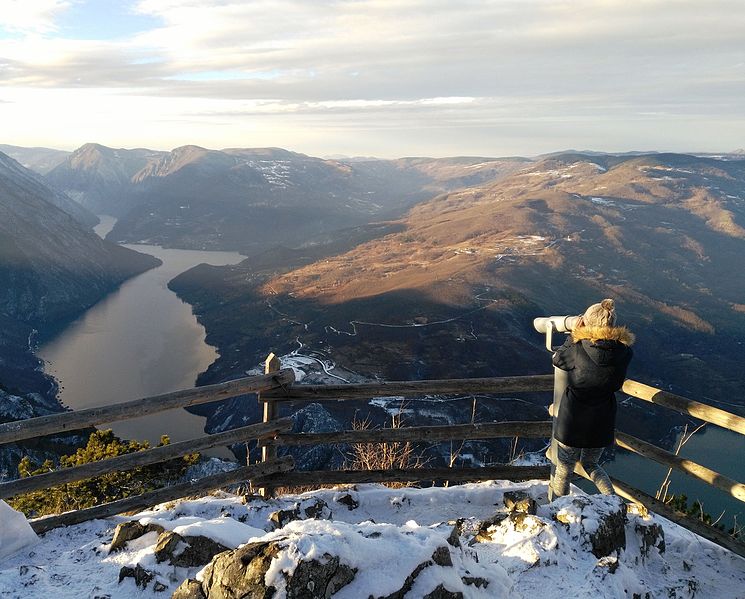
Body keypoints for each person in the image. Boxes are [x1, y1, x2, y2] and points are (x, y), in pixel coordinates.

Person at [550, 298, 634, 497]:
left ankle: (559, 511)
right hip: (603, 417)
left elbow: (557, 359)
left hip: (573, 417)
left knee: (564, 468)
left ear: (586, 322)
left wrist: (572, 337)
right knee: (591, 464)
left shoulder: (577, 349)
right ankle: (612, 502)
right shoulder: (625, 352)